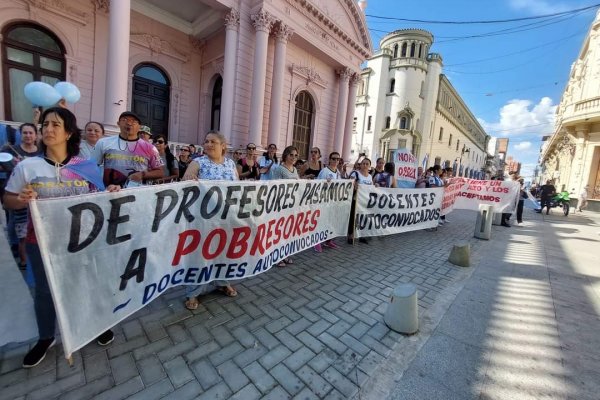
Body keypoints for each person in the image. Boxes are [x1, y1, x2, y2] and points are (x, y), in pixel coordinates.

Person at [3, 107, 120, 368]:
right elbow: (8, 200)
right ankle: (46, 337)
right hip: (40, 243)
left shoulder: (86, 166)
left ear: (68, 133)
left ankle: (93, 326)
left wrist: (111, 191)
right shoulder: (27, 166)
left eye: (55, 125)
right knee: (44, 292)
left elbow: (98, 200)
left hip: (81, 241)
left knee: (86, 284)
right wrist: (19, 200)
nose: (48, 129)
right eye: (45, 124)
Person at [181, 131, 238, 310]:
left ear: (223, 145)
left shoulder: (230, 163)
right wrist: (190, 179)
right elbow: (186, 179)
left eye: (213, 141)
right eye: (206, 141)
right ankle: (193, 292)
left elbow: (237, 187)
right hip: (203, 219)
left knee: (223, 251)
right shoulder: (198, 162)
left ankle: (222, 282)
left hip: (225, 216)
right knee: (201, 254)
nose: (208, 144)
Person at [1, 123, 41, 268]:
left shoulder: (42, 152)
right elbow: (4, 163)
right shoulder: (10, 150)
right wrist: (19, 166)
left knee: (34, 227)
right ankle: (19, 253)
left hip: (37, 196)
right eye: (25, 133)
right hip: (16, 193)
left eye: (31, 133)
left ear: (36, 135)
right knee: (16, 225)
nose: (28, 136)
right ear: (20, 134)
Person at [91, 111, 164, 187]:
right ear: (118, 123)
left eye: (134, 121)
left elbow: (160, 172)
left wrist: (142, 174)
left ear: (139, 127)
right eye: (124, 120)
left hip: (137, 194)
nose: (129, 123)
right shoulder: (103, 142)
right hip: (110, 192)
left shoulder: (150, 148)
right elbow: (91, 166)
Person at [270, 146, 300, 266]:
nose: (293, 157)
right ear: (285, 155)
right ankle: (276, 257)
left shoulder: (294, 169)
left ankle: (285, 254)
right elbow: (273, 187)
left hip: (291, 206)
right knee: (279, 231)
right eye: (291, 155)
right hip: (280, 205)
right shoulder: (279, 169)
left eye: (295, 155)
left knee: (287, 231)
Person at [315, 152, 343, 252]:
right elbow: (317, 185)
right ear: (330, 159)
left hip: (333, 201)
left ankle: (328, 240)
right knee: (321, 221)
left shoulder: (338, 172)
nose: (336, 161)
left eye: (338, 159)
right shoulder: (324, 171)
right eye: (334, 159)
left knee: (331, 222)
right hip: (324, 201)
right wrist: (325, 183)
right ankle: (317, 242)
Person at [348, 157, 373, 244]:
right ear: (360, 165)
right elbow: (349, 185)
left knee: (363, 218)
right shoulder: (355, 174)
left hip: (365, 200)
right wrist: (354, 185)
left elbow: (371, 188)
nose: (365, 165)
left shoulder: (370, 176)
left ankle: (361, 235)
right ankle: (351, 236)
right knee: (353, 218)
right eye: (363, 163)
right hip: (356, 199)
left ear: (370, 166)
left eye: (367, 164)